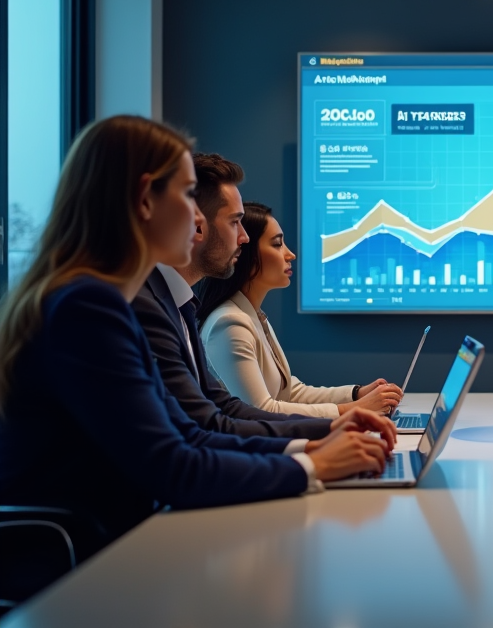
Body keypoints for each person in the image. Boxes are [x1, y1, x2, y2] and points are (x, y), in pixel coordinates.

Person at [0, 116, 396, 547]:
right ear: (145, 200)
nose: (198, 219)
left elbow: (191, 434)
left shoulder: (103, 301)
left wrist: (316, 446)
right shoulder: (88, 308)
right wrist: (314, 466)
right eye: (189, 195)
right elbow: (175, 467)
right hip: (87, 564)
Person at [132, 153, 334, 439]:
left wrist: (332, 427)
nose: (244, 238)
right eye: (234, 222)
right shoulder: (149, 308)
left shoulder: (181, 306)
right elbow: (201, 429)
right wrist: (310, 456)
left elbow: (222, 407)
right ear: (197, 225)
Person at [198, 202, 401, 418]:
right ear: (247, 255)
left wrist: (356, 394)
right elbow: (261, 410)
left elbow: (289, 393)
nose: (290, 254)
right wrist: (354, 409)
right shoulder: (229, 323)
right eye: (277, 245)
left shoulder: (251, 315)